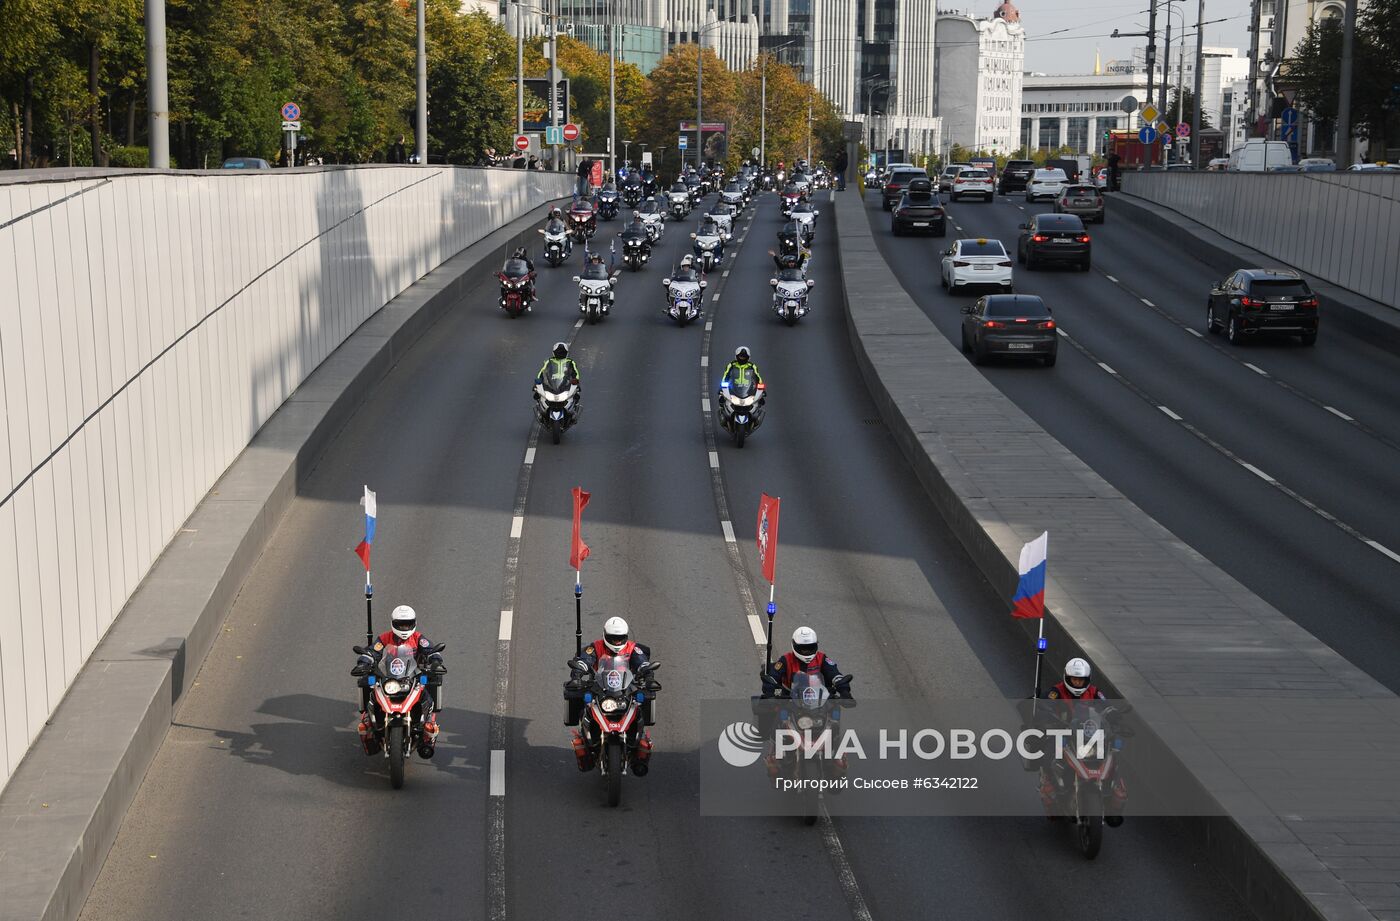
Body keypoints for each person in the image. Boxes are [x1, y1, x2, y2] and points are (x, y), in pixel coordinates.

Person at [1039, 657, 1127, 824]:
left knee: (1114, 752)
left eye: (1081, 680)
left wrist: (1113, 714)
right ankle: (1049, 787)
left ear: (1088, 680)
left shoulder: (1094, 692)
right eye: (1074, 680)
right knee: (1049, 753)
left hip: (1090, 735)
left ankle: (1115, 794)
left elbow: (1106, 705)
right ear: (1067, 677)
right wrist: (1046, 716)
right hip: (1063, 732)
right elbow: (1045, 705)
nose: (1078, 683)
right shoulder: (1056, 692)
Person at [352, 604, 444, 757]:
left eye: (407, 624)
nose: (404, 627)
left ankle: (428, 730)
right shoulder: (384, 638)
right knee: (370, 690)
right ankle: (369, 724)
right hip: (389, 679)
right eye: (401, 624)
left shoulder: (418, 638)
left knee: (427, 696)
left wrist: (435, 661)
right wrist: (364, 662)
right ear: (393, 623)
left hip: (412, 677)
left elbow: (430, 650)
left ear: (414, 623)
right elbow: (373, 651)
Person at [568, 616, 654, 774]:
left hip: (626, 689)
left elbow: (643, 663)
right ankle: (587, 741)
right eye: (613, 638)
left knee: (640, 706)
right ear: (605, 635)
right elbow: (583, 660)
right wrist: (577, 675)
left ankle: (639, 749)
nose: (616, 642)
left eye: (619, 638)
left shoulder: (633, 648)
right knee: (585, 705)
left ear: (625, 637)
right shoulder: (595, 647)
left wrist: (648, 676)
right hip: (601, 688)